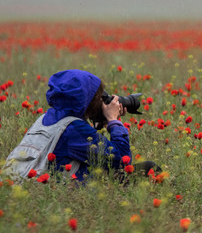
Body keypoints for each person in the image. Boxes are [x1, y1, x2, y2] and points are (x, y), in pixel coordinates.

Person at [4, 69, 141, 182]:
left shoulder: (44, 118)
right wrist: (113, 120)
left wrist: (102, 121)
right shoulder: (74, 129)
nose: (102, 101)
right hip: (51, 195)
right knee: (145, 169)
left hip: (20, 185)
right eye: (99, 97)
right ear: (88, 100)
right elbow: (122, 161)